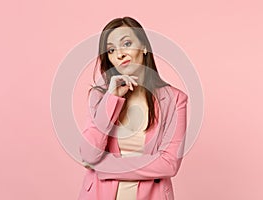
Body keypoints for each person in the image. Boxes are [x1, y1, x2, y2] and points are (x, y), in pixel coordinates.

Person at [78, 16, 188, 200]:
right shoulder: (99, 96)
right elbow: (89, 153)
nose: (119, 54)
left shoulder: (174, 100)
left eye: (126, 43)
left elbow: (169, 164)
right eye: (111, 50)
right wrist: (111, 98)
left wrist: (103, 167)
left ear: (144, 47)